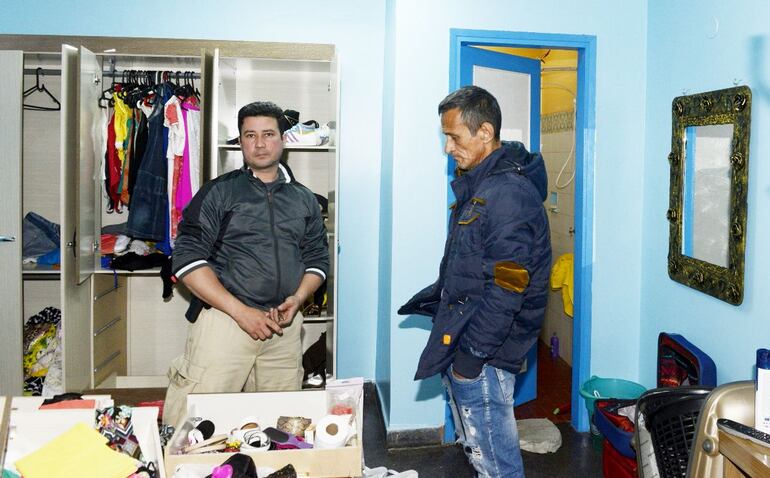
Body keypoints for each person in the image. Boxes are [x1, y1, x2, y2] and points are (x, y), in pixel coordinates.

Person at [398, 85, 551, 477]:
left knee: (496, 463)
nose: (448, 148)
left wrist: (471, 359)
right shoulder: (481, 185)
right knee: (479, 452)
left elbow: (509, 286)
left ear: (485, 132)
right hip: (465, 338)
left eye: (454, 137)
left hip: (484, 353)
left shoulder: (508, 194)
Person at [163, 101, 329, 427]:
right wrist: (240, 312)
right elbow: (186, 258)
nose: (260, 143)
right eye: (250, 135)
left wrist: (298, 299)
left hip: (282, 328)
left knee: (281, 426)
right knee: (197, 425)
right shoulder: (219, 192)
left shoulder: (304, 199)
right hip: (225, 324)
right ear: (241, 142)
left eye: (268, 134)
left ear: (283, 139)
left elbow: (317, 258)